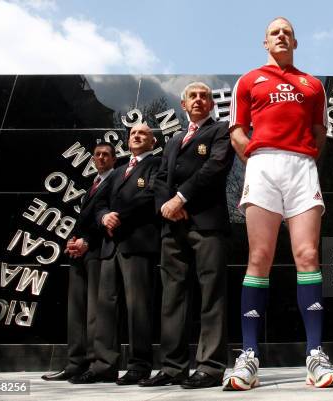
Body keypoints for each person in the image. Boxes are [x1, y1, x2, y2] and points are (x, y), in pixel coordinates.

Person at [223, 16, 333, 390]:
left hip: (302, 167)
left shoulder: (313, 85)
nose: (281, 35)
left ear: (295, 42)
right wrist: (257, 159)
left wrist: (302, 156)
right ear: (265, 42)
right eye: (274, 32)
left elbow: (320, 133)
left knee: (307, 255)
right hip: (262, 167)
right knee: (260, 257)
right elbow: (237, 132)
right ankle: (249, 357)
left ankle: (315, 355)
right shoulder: (248, 80)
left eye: (287, 32)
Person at [140, 82, 234, 389]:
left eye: (203, 96)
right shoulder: (174, 140)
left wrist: (181, 198)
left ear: (211, 104)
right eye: (192, 96)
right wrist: (166, 207)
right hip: (173, 228)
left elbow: (216, 166)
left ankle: (210, 366)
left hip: (207, 224)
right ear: (184, 104)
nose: (198, 100)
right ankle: (172, 367)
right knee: (173, 298)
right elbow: (159, 181)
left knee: (212, 296)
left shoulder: (221, 131)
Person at [70, 122, 161, 384]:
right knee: (106, 308)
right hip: (111, 248)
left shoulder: (156, 164)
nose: (137, 136)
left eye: (143, 133)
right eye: (133, 133)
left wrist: (118, 216)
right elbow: (99, 204)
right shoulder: (118, 171)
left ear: (152, 142)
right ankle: (103, 365)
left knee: (138, 308)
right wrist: (103, 217)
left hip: (138, 245)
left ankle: (139, 365)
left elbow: (150, 196)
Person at [41, 142, 116, 382]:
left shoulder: (116, 181)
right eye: (98, 155)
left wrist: (87, 241)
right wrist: (73, 241)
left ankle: (95, 363)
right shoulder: (92, 185)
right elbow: (84, 218)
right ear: (93, 159)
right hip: (79, 253)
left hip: (98, 251)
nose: (101, 158)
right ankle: (75, 362)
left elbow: (107, 216)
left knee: (95, 311)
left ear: (114, 159)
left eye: (106, 155)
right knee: (76, 312)